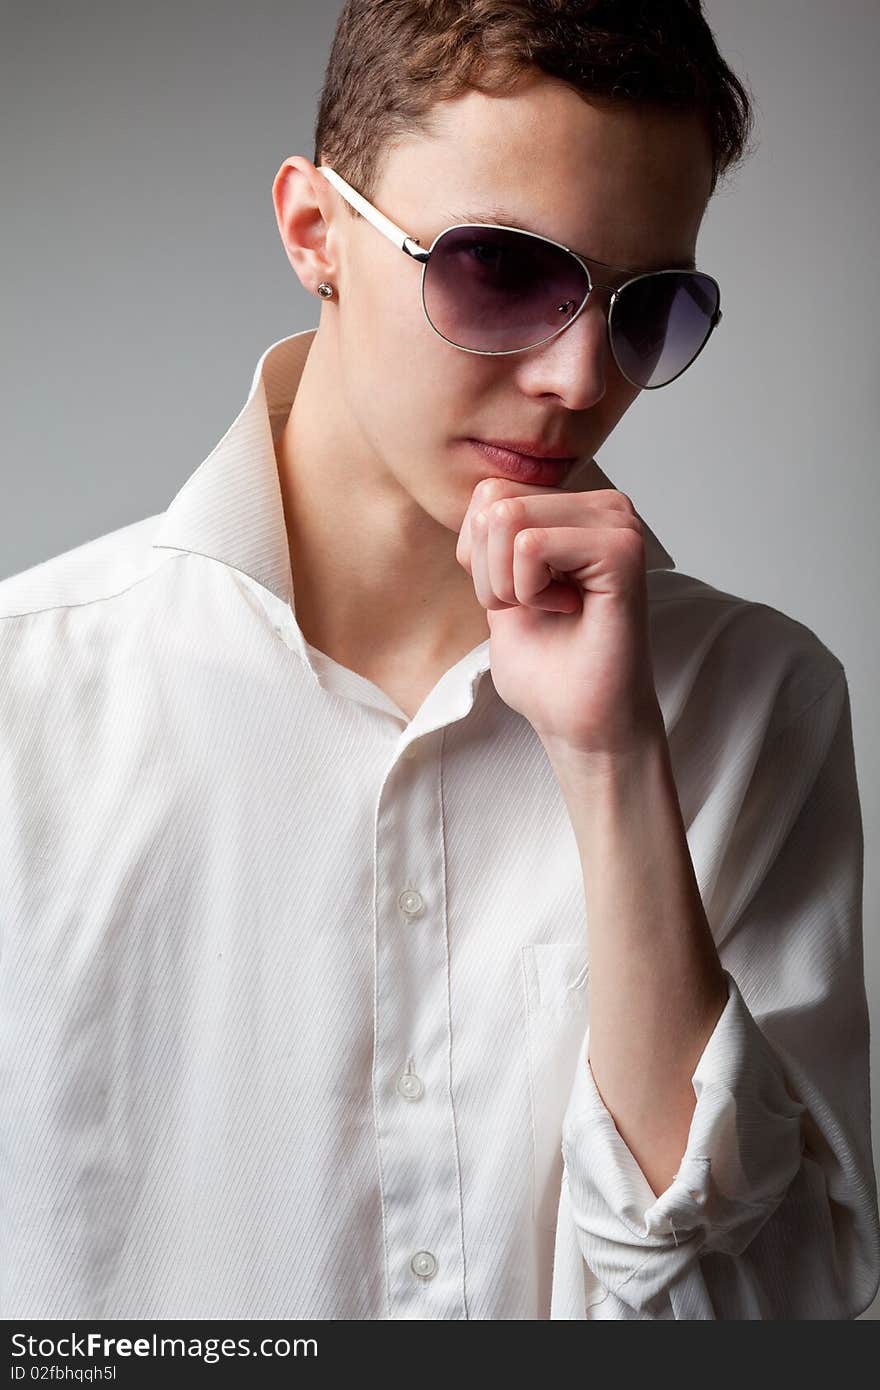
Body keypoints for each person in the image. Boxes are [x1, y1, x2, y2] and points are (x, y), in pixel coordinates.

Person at [1, 0, 878, 1321]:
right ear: (316, 232)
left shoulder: (758, 703)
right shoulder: (27, 706)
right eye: (504, 272)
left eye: (651, 309)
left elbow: (776, 1314)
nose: (582, 379)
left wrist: (615, 765)